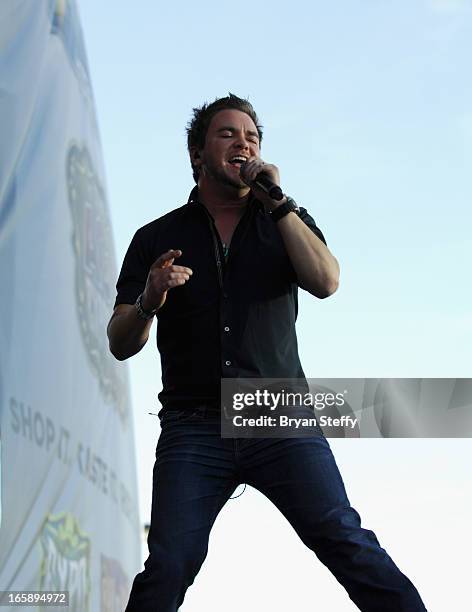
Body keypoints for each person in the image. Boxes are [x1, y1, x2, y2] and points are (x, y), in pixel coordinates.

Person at [107, 94, 427, 611]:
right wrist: (150, 298)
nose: (243, 143)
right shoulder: (157, 236)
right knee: (169, 565)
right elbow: (120, 342)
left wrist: (277, 201)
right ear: (197, 153)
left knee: (345, 540)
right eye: (228, 134)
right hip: (194, 424)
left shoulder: (283, 220)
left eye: (252, 136)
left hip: (277, 411)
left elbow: (326, 281)